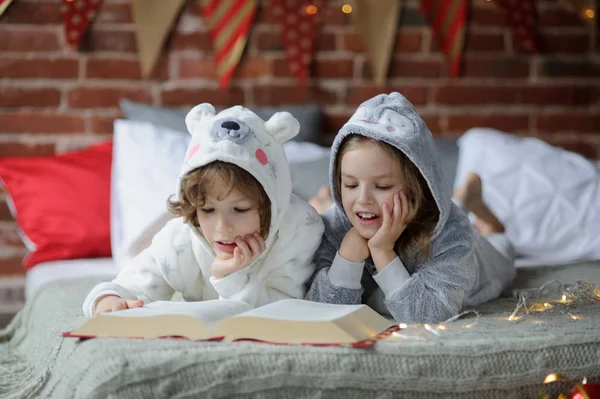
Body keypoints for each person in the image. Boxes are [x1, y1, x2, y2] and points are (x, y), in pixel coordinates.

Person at [83, 104, 324, 318]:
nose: (222, 227)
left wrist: (232, 277)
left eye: (240, 209)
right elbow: (135, 283)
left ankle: (325, 201)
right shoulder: (181, 238)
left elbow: (286, 314)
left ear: (271, 206)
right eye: (208, 209)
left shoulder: (298, 231)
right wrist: (107, 299)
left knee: (328, 214)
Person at [305, 92, 516, 323]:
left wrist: (383, 252)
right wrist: (349, 255)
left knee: (503, 250)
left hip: (481, 257)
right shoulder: (337, 224)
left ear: (419, 187)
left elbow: (431, 316)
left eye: (382, 186)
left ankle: (478, 213)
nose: (363, 199)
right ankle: (463, 198)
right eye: (351, 184)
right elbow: (319, 312)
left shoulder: (453, 233)